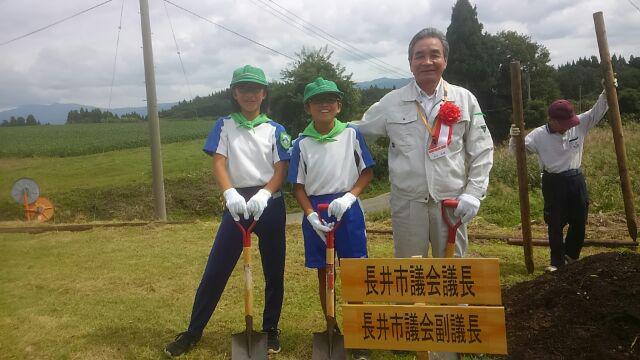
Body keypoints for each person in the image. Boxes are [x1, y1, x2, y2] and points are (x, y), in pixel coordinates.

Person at [164, 65, 291, 356]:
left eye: (255, 89)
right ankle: (194, 331)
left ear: (263, 93)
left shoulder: (276, 129)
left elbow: (281, 168)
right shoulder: (224, 125)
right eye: (243, 89)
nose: (250, 94)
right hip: (236, 203)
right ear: (234, 93)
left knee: (274, 270)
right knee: (216, 270)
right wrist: (229, 192)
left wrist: (265, 193)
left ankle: (270, 329)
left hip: (268, 202)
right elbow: (219, 162)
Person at [353, 27, 494, 260]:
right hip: (408, 205)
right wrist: (315, 135)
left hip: (451, 203)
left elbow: (483, 149)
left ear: (445, 60)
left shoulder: (464, 99)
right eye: (419, 55)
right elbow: (358, 129)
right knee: (409, 278)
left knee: (452, 277)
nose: (427, 61)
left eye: (434, 54)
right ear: (410, 63)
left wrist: (473, 193)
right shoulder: (392, 102)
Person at [288, 77, 374, 360]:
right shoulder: (301, 143)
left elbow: (366, 171)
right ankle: (331, 325)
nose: (324, 105)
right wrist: (310, 214)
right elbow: (298, 185)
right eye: (317, 101)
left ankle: (357, 329)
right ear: (307, 108)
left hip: (347, 209)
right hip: (316, 210)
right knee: (324, 272)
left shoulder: (351, 134)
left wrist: (350, 197)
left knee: (353, 271)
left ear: (338, 106)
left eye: (330, 100)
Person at [509, 85, 610, 272]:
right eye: (564, 124)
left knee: (579, 220)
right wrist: (514, 137)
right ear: (552, 120)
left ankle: (571, 256)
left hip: (575, 179)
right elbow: (517, 153)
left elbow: (599, 109)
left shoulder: (578, 124)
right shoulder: (538, 136)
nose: (568, 127)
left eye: (570, 123)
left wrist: (608, 90)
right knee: (555, 223)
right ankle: (556, 262)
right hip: (553, 182)